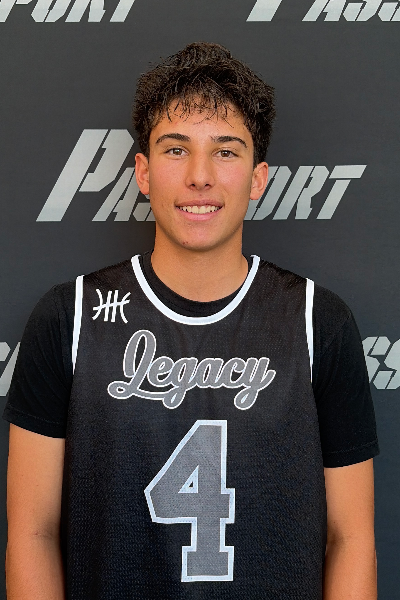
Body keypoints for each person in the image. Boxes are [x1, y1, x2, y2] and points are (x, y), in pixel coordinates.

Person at [3, 42, 379, 599]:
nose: (200, 176)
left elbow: (351, 539)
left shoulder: (317, 322)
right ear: (143, 172)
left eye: (226, 151)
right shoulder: (69, 316)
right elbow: (32, 533)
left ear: (258, 179)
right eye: (176, 149)